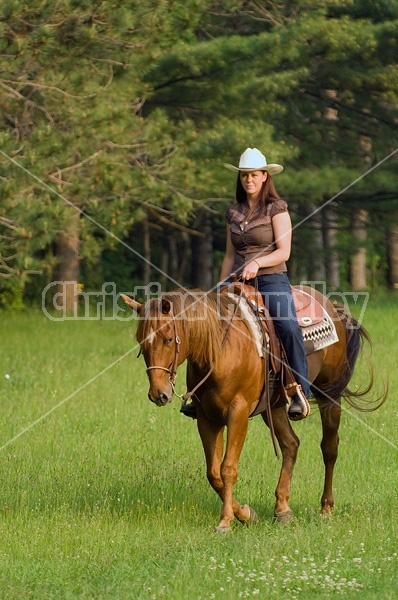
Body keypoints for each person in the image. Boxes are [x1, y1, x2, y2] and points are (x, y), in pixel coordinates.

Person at [180, 147, 311, 420]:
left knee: (287, 325)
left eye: (253, 175)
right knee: (200, 321)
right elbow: (230, 255)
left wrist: (257, 263)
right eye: (244, 176)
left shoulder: (277, 208)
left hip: (271, 278)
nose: (248, 180)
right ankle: (196, 392)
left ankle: (299, 390)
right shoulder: (234, 213)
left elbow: (284, 251)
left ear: (265, 176)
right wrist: (217, 290)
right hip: (237, 279)